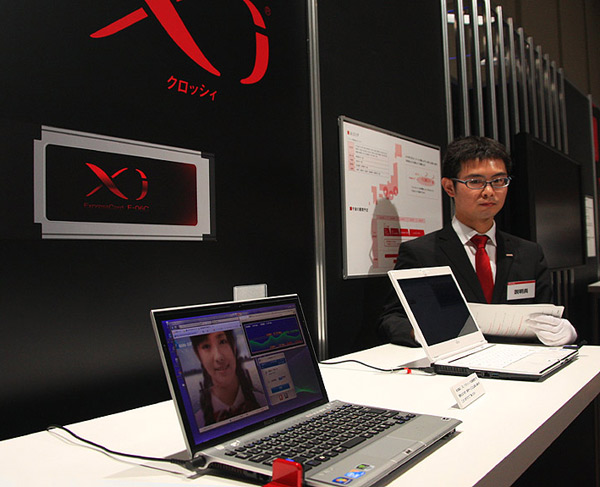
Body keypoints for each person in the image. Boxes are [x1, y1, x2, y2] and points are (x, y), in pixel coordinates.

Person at [378, 135, 577, 348]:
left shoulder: (530, 254)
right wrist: (420, 332)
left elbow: (546, 315)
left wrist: (563, 332)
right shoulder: (421, 253)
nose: (489, 192)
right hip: (454, 361)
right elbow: (392, 319)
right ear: (449, 187)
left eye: (498, 181)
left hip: (522, 361)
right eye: (475, 182)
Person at [190, 330, 266, 427]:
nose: (218, 357)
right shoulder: (198, 422)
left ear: (233, 346)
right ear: (198, 355)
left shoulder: (263, 401)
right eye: (206, 346)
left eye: (222, 342)